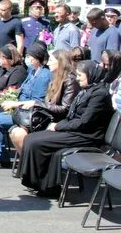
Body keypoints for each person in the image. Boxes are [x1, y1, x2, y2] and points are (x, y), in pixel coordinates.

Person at [21, 60, 114, 197]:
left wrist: (59, 126)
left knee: (36, 142)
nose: (78, 78)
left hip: (87, 135)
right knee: (31, 138)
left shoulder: (100, 94)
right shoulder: (88, 90)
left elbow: (85, 122)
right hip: (76, 130)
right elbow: (72, 115)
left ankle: (48, 186)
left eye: (80, 75)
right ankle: (41, 183)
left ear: (91, 75)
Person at [0, 42, 52, 169]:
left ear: (36, 58)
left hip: (29, 113)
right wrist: (10, 96)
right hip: (20, 108)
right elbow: (22, 90)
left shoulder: (43, 76)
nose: (27, 59)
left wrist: (14, 103)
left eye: (29, 57)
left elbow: (37, 100)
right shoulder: (33, 72)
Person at [8, 49, 79, 159]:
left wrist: (36, 104)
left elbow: (65, 109)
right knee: (16, 132)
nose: (48, 63)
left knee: (21, 135)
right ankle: (29, 165)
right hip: (47, 117)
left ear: (60, 62)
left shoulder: (70, 80)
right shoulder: (54, 78)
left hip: (57, 121)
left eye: (51, 60)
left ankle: (33, 166)